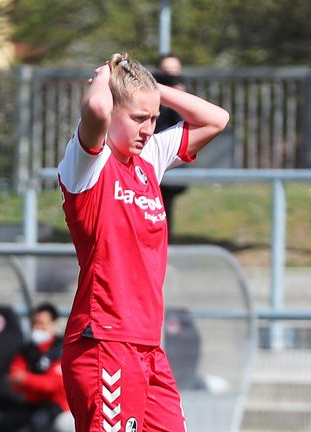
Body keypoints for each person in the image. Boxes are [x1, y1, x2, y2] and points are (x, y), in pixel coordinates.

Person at [57, 53, 229, 432]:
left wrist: (153, 91)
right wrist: (106, 75)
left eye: (152, 118)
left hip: (148, 345)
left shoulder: (149, 159)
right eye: (138, 118)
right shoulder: (88, 164)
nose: (148, 129)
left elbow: (217, 119)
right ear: (113, 113)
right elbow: (98, 106)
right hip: (104, 340)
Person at [3, 302, 71, 432]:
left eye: (42, 323)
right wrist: (25, 381)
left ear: (54, 324)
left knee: (38, 422)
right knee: (6, 421)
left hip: (56, 403)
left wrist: (26, 379)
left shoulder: (61, 348)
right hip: (32, 401)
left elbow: (53, 384)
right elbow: (14, 375)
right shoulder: (27, 349)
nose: (37, 328)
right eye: (35, 323)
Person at [154, 54, 188, 239]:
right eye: (166, 73)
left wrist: (178, 97)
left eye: (175, 72)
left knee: (164, 211)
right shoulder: (149, 99)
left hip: (171, 163)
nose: (171, 77)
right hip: (148, 160)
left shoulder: (182, 95)